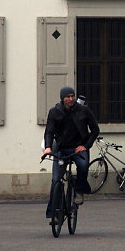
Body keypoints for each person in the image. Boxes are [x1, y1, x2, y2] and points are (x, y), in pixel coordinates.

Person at [42, 86, 100, 217]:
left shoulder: (83, 110)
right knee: (56, 180)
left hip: (78, 148)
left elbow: (95, 130)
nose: (71, 99)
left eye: (72, 96)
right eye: (67, 96)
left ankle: (79, 190)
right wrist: (48, 147)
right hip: (61, 149)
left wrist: (86, 145)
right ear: (62, 98)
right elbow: (49, 131)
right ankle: (53, 212)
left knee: (83, 166)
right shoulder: (55, 111)